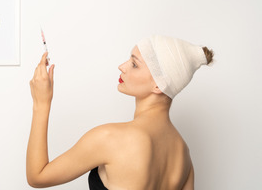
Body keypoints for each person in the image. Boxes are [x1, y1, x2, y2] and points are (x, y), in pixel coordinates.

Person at [27, 35, 214, 190]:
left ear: (159, 84)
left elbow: (37, 176)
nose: (122, 66)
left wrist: (41, 104)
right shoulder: (183, 155)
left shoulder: (111, 138)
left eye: (134, 64)